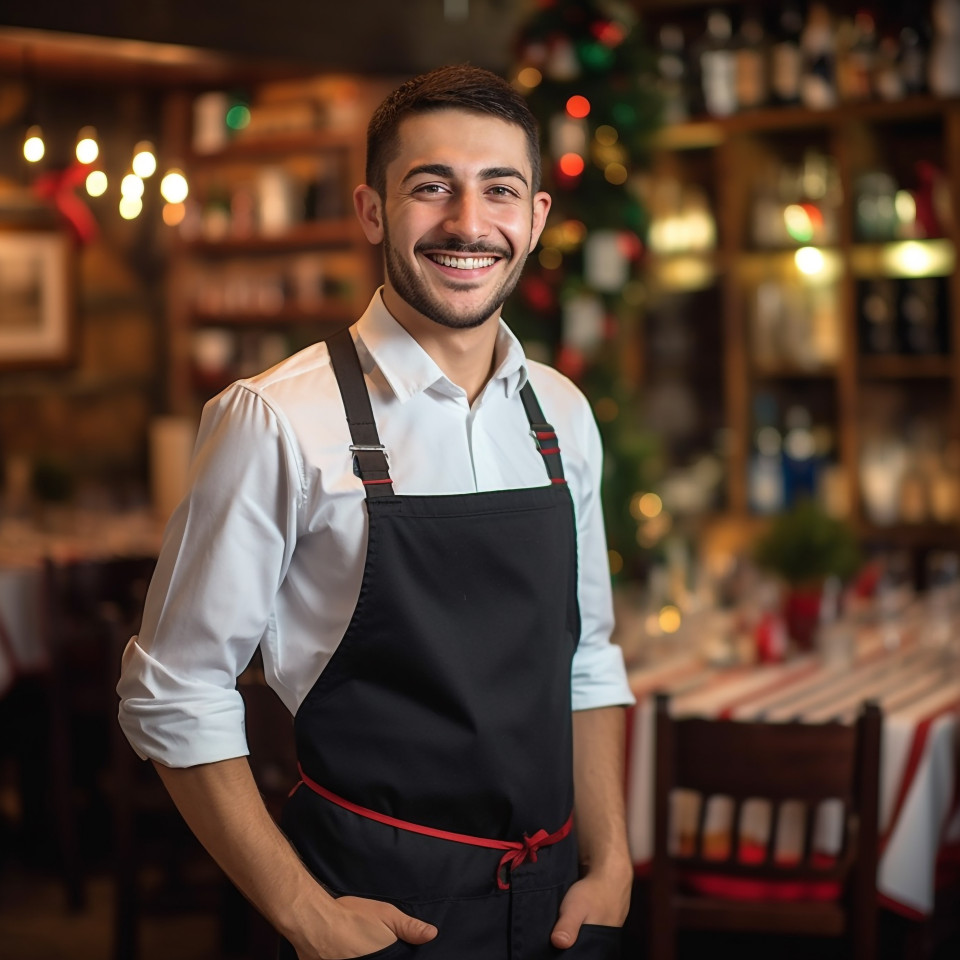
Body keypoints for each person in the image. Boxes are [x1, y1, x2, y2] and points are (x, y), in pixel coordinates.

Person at [118, 64, 635, 960]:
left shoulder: (562, 412)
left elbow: (585, 655)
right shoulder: (277, 419)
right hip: (374, 919)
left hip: (557, 915)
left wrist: (614, 861)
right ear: (371, 211)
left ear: (538, 218)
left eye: (499, 191)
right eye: (430, 187)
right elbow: (172, 692)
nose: (469, 224)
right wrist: (307, 916)